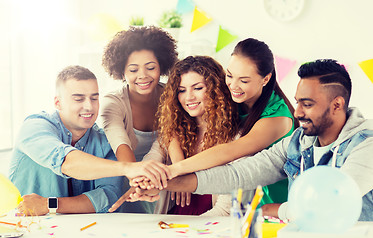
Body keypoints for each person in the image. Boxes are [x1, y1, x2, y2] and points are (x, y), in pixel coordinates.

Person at [129, 59, 373, 221]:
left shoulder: (366, 144)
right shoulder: (298, 142)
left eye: (307, 105)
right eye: (298, 102)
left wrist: (272, 210)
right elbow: (238, 174)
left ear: (337, 105)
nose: (297, 113)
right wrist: (163, 184)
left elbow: (332, 205)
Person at [114, 37, 298, 214]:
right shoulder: (234, 99)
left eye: (244, 80)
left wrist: (175, 171)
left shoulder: (275, 119)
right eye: (230, 76)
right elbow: (169, 131)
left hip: (274, 201)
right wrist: (159, 171)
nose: (233, 86)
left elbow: (230, 152)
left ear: (265, 79)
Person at [9, 65, 128, 215]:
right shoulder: (34, 127)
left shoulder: (105, 142)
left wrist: (49, 205)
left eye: (94, 98)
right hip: (22, 227)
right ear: (58, 103)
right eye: (79, 99)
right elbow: (66, 161)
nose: (89, 106)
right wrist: (128, 167)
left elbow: (108, 197)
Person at [140, 56, 239, 215]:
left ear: (217, 89)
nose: (189, 97)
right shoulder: (174, 132)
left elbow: (226, 208)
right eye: (181, 90)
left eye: (198, 88)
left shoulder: (235, 137)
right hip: (172, 224)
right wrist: (145, 181)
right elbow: (152, 158)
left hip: (208, 227)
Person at [100, 26, 178, 213]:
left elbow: (167, 141)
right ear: (121, 71)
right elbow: (120, 143)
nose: (143, 75)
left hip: (165, 180)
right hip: (128, 180)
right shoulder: (112, 103)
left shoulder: (174, 96)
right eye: (133, 70)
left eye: (151, 67)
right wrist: (137, 179)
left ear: (161, 66)